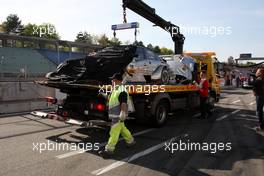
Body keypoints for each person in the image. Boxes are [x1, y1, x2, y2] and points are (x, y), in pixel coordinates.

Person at [98, 72, 135, 158]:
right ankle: (131, 142)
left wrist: (123, 113)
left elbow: (124, 103)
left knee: (114, 132)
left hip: (118, 116)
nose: (111, 81)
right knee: (123, 129)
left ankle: (109, 150)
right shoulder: (116, 89)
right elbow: (110, 98)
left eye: (112, 79)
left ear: (116, 80)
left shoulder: (122, 91)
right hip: (116, 115)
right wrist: (103, 95)